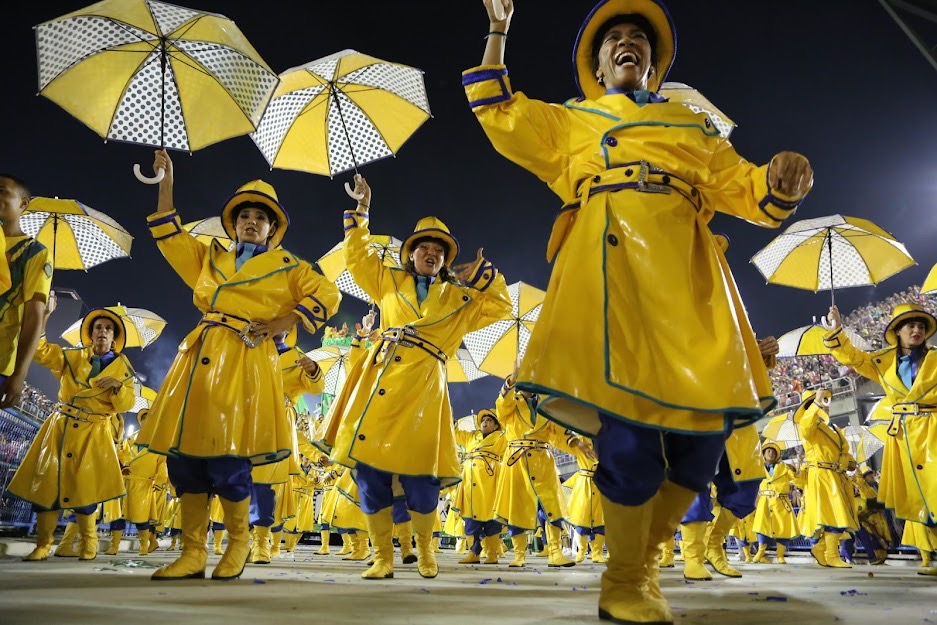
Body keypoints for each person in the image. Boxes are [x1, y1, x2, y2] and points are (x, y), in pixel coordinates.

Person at [464, 1, 813, 621]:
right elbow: (497, 108)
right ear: (597, 64)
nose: (627, 44)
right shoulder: (571, 120)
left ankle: (643, 566)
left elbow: (744, 187)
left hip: (688, 277)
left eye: (638, 40)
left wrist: (779, 183)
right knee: (626, 438)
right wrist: (498, 30)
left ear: (653, 63)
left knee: (701, 444)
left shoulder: (694, 125)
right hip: (608, 271)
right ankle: (626, 580)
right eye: (614, 39)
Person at [136, 149, 341, 581]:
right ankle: (193, 553)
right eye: (245, 215)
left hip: (246, 358)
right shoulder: (210, 256)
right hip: (198, 358)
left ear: (274, 227)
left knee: (230, 457)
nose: (251, 221)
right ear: (233, 223)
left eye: (261, 217)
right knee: (184, 459)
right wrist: (166, 181)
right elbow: (169, 235)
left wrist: (286, 320)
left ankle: (238, 545)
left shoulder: (290, 267)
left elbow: (328, 295)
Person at [319, 174, 512, 580]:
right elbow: (356, 257)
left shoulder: (461, 300)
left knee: (420, 475)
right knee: (369, 472)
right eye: (424, 246)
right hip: (382, 378)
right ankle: (382, 556)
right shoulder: (388, 280)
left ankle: (426, 552)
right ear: (411, 254)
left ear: (444, 259)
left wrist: (483, 273)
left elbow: (498, 307)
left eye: (438, 250)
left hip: (425, 386)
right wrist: (362, 211)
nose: (431, 252)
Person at [9, 296, 135, 561]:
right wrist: (44, 316)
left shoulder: (124, 370)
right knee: (46, 485)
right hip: (60, 428)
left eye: (108, 329)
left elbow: (126, 404)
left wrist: (117, 387)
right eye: (98, 327)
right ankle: (43, 545)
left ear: (115, 338)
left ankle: (89, 545)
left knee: (84, 490)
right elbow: (40, 350)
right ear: (90, 335)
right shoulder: (72, 357)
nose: (103, 332)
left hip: (93, 433)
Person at [823, 302, 937, 575]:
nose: (916, 330)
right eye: (910, 325)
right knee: (916, 496)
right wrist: (836, 331)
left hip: (934, 430)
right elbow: (853, 357)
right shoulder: (881, 361)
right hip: (904, 438)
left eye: (921, 326)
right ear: (896, 331)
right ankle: (928, 556)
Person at [0, 173, 52, 410]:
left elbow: (33, 316)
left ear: (23, 203)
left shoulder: (35, 252)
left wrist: (19, 375)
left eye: (2, 190)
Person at [451, 408, 507, 565]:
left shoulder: (503, 437)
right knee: (470, 518)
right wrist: (450, 416)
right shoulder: (471, 436)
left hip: (491, 481)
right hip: (470, 481)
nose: (485, 422)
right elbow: (454, 432)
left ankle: (492, 554)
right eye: (483, 420)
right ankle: (474, 553)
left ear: (496, 426)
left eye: (489, 420)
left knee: (492, 518)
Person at [750, 442, 798, 564]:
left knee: (783, 527)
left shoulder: (784, 468)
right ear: (764, 455)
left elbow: (796, 479)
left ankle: (780, 555)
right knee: (762, 527)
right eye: (768, 451)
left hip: (781, 502)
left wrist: (795, 470)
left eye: (773, 452)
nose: (771, 453)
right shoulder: (757, 468)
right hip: (764, 502)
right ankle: (760, 552)